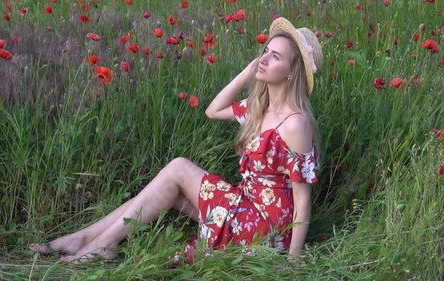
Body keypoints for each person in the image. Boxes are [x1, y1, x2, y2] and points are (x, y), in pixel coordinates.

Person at [29, 17, 324, 264]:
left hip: (265, 230)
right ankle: (88, 239)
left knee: (178, 168)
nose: (264, 59)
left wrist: (292, 262)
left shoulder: (294, 123)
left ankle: (95, 244)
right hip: (243, 208)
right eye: (265, 51)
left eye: (276, 57)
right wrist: (249, 72)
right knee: (162, 191)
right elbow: (214, 110)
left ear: (291, 72)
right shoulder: (258, 110)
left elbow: (301, 200)